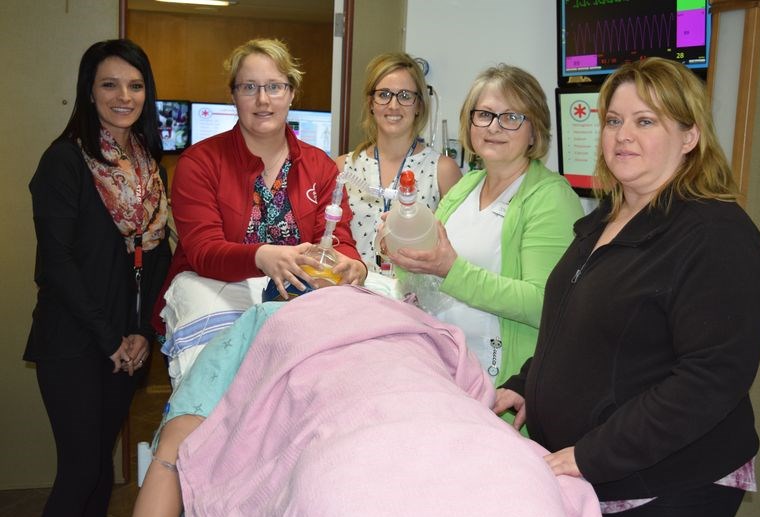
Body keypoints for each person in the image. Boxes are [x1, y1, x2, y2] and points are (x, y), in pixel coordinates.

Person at [494, 57, 760, 517]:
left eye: (645, 121)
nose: (623, 135)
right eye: (614, 121)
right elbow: (576, 327)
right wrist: (527, 384)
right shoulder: (604, 218)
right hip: (595, 475)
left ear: (689, 137)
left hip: (667, 486)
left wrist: (592, 455)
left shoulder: (715, 234)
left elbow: (709, 380)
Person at [130, 286, 604, 517]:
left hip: (453, 433)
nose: (322, 264)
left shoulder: (406, 316)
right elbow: (177, 447)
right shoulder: (266, 321)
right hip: (360, 452)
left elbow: (472, 391)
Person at [25, 39, 172, 517]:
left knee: (101, 475)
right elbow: (57, 264)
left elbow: (156, 259)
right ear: (89, 92)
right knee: (80, 470)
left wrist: (142, 333)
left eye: (135, 85)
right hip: (74, 340)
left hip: (128, 343)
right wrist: (109, 337)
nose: (123, 96)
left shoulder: (150, 167)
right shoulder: (65, 162)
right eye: (110, 84)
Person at [388, 64, 584, 402]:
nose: (495, 127)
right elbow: (428, 273)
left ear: (534, 130)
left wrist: (452, 270)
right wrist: (400, 246)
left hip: (498, 387)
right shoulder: (466, 186)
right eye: (485, 115)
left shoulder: (550, 197)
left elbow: (546, 304)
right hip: (439, 369)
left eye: (511, 117)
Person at [154, 37, 365, 330]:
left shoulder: (320, 168)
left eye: (275, 86)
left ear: (292, 93)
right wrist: (260, 256)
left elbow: (337, 237)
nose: (262, 100)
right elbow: (203, 251)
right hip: (216, 294)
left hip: (297, 304)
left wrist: (355, 264)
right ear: (233, 95)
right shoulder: (199, 163)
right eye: (249, 87)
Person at [336, 52, 461, 272]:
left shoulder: (442, 171)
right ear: (371, 103)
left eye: (405, 95)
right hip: (352, 295)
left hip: (414, 300)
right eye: (384, 94)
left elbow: (455, 250)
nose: (393, 105)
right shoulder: (343, 167)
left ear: (419, 106)